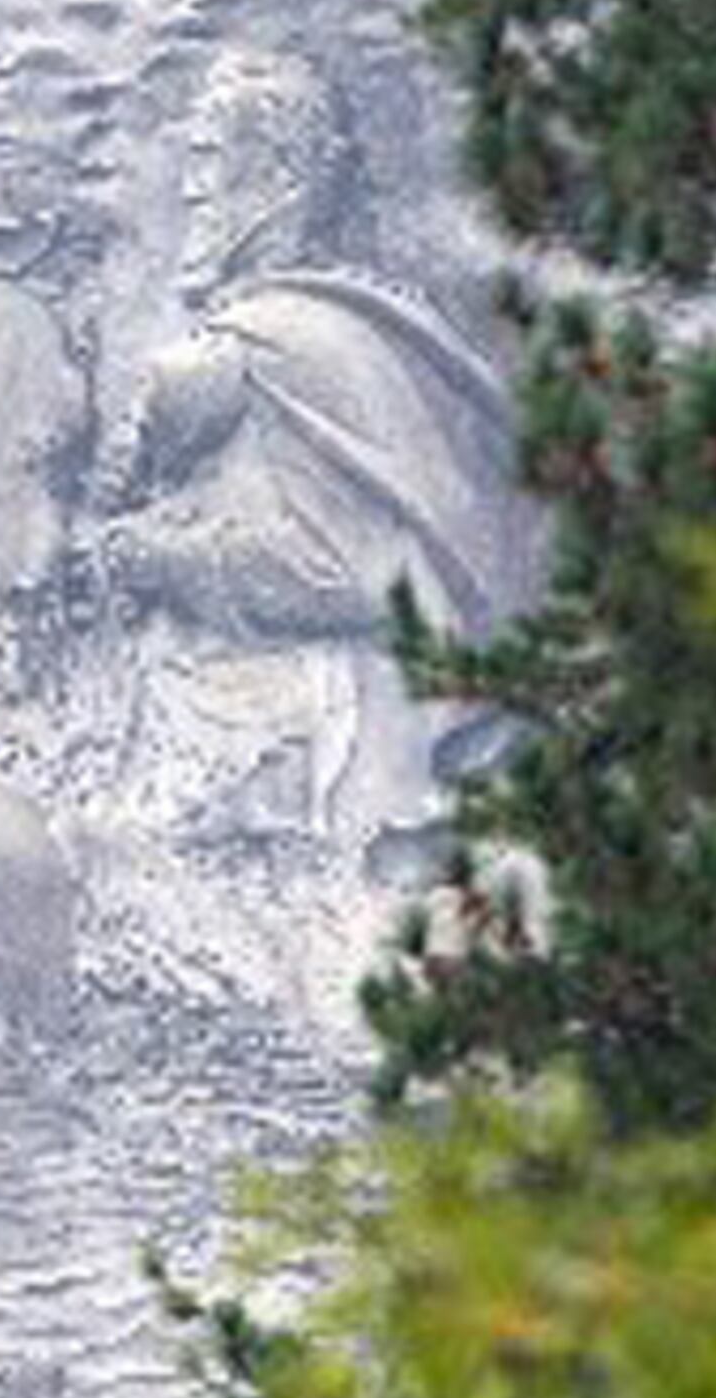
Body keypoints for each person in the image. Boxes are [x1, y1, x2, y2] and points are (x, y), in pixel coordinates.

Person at [99, 47, 534, 869]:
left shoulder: (277, 344)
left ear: (284, 178)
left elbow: (345, 577)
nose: (190, 189)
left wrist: (150, 557)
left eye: (210, 160)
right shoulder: (359, 324)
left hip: (331, 758)